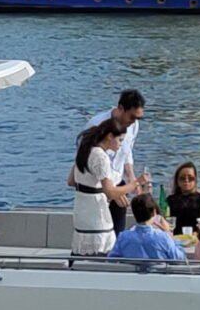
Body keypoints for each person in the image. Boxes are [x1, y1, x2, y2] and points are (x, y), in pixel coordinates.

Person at [67, 120, 140, 256]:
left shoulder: (85, 150)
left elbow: (71, 181)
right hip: (96, 213)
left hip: (81, 209)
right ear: (110, 136)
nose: (120, 145)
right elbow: (110, 191)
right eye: (120, 140)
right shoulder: (101, 157)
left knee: (81, 251)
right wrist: (134, 184)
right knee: (103, 250)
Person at [87, 89, 146, 231]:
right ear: (120, 108)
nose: (134, 122)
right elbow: (86, 160)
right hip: (97, 188)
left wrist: (132, 179)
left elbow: (127, 152)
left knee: (118, 231)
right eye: (132, 117)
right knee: (100, 231)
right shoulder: (96, 124)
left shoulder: (133, 125)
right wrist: (113, 192)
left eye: (137, 118)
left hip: (118, 182)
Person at [109, 193, 186, 261]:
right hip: (159, 275)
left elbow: (112, 260)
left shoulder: (123, 237)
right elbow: (180, 258)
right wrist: (172, 238)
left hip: (131, 276)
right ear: (154, 212)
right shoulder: (163, 238)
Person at [166, 162, 200, 235]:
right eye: (182, 178)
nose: (186, 181)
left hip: (196, 239)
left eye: (190, 178)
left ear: (195, 180)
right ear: (177, 181)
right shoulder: (170, 200)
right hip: (176, 239)